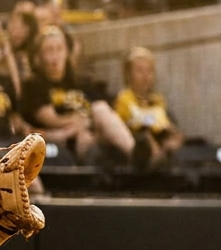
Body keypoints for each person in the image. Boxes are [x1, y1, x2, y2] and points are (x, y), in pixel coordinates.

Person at [20, 26, 136, 166]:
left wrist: (85, 123)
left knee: (100, 108)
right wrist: (77, 124)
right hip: (62, 138)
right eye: (49, 50)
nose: (55, 56)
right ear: (39, 57)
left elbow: (104, 113)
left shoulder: (79, 82)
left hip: (91, 130)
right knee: (85, 135)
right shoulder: (34, 84)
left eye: (59, 49)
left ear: (67, 53)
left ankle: (136, 154)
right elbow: (51, 119)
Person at [113, 46, 184, 170]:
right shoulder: (124, 98)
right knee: (145, 136)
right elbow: (127, 123)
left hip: (158, 135)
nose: (145, 76)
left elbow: (164, 123)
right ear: (128, 75)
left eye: (149, 71)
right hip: (135, 138)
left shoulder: (157, 99)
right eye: (140, 71)